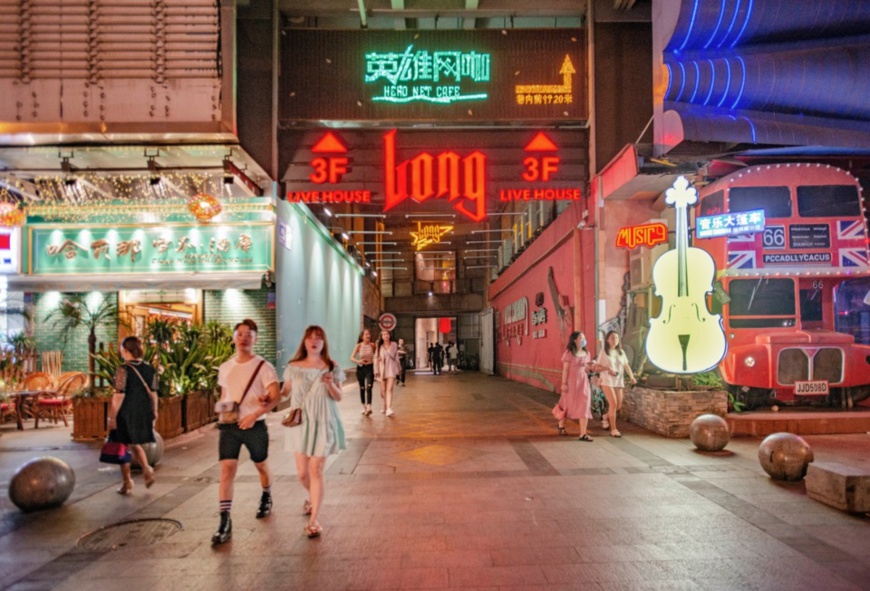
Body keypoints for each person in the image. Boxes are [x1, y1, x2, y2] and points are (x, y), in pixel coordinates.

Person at [211, 319, 280, 545]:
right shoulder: (225, 367)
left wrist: (256, 412)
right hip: (230, 426)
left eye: (248, 334)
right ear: (234, 338)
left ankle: (266, 494)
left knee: (260, 464)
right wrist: (222, 414)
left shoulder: (263, 366)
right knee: (227, 470)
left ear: (255, 339)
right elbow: (224, 395)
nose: (243, 338)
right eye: (239, 334)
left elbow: (275, 396)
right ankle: (225, 521)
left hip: (255, 425)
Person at [282, 325, 346, 538]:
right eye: (310, 337)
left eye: (318, 337)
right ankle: (312, 496)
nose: (314, 341)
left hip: (323, 420)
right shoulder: (293, 366)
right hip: (300, 422)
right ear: (304, 342)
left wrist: (330, 385)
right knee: (302, 473)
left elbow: (339, 397)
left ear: (323, 342)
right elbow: (284, 393)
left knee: (316, 469)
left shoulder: (331, 366)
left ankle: (314, 520)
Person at [107, 336, 159, 495]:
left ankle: (127, 482)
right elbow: (154, 393)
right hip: (143, 410)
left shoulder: (123, 369)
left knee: (121, 446)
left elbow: (119, 395)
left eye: (122, 349)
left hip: (126, 411)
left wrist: (112, 416)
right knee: (134, 443)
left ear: (126, 350)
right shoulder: (149, 368)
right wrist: (154, 412)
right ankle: (147, 469)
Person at [553, 332, 595, 441]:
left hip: (583, 381)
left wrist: (590, 366)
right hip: (571, 381)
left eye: (584, 337)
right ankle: (561, 425)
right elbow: (565, 369)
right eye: (581, 338)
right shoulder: (569, 353)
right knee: (567, 404)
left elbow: (586, 368)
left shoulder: (586, 353)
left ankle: (583, 433)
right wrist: (564, 384)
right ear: (575, 340)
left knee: (584, 404)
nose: (584, 339)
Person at [595, 330, 636, 438]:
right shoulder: (604, 352)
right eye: (612, 338)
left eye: (617, 338)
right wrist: (607, 368)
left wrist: (631, 376)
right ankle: (613, 429)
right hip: (607, 381)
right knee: (613, 404)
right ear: (607, 340)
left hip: (618, 381)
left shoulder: (621, 352)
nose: (615, 340)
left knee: (618, 406)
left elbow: (626, 365)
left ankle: (605, 417)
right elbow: (597, 367)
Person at [375, 329, 401, 416]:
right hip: (382, 369)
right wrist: (376, 369)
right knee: (383, 390)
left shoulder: (394, 344)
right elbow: (376, 358)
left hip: (391, 368)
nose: (386, 336)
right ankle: (384, 405)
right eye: (384, 334)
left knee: (389, 389)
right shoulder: (379, 346)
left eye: (387, 334)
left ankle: (389, 408)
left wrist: (399, 367)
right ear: (381, 337)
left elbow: (395, 356)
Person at [350, 329, 375, 416]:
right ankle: (363, 406)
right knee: (362, 388)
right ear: (362, 337)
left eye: (369, 334)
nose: (368, 336)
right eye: (366, 334)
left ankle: (369, 406)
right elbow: (352, 357)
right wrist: (359, 361)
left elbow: (376, 355)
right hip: (361, 369)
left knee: (369, 387)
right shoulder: (358, 346)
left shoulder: (372, 345)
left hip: (370, 368)